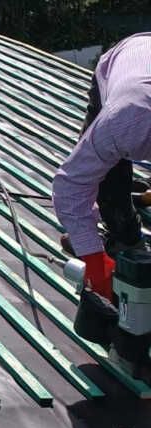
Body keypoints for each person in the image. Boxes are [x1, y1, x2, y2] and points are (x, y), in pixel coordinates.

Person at [53, 34, 151, 299]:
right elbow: (71, 185)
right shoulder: (125, 122)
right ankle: (122, 239)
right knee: (108, 181)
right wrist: (94, 260)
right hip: (123, 60)